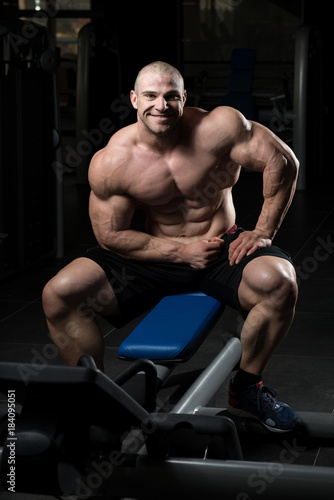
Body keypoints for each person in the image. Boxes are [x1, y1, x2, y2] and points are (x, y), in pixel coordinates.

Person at [42, 61, 300, 432]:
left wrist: (263, 231)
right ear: (133, 99)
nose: (160, 105)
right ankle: (93, 397)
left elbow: (282, 160)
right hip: (155, 254)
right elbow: (110, 236)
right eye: (150, 95)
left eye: (170, 96)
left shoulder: (220, 128)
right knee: (59, 295)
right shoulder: (113, 162)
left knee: (282, 281)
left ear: (184, 98)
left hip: (221, 249)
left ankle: (246, 387)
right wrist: (180, 252)